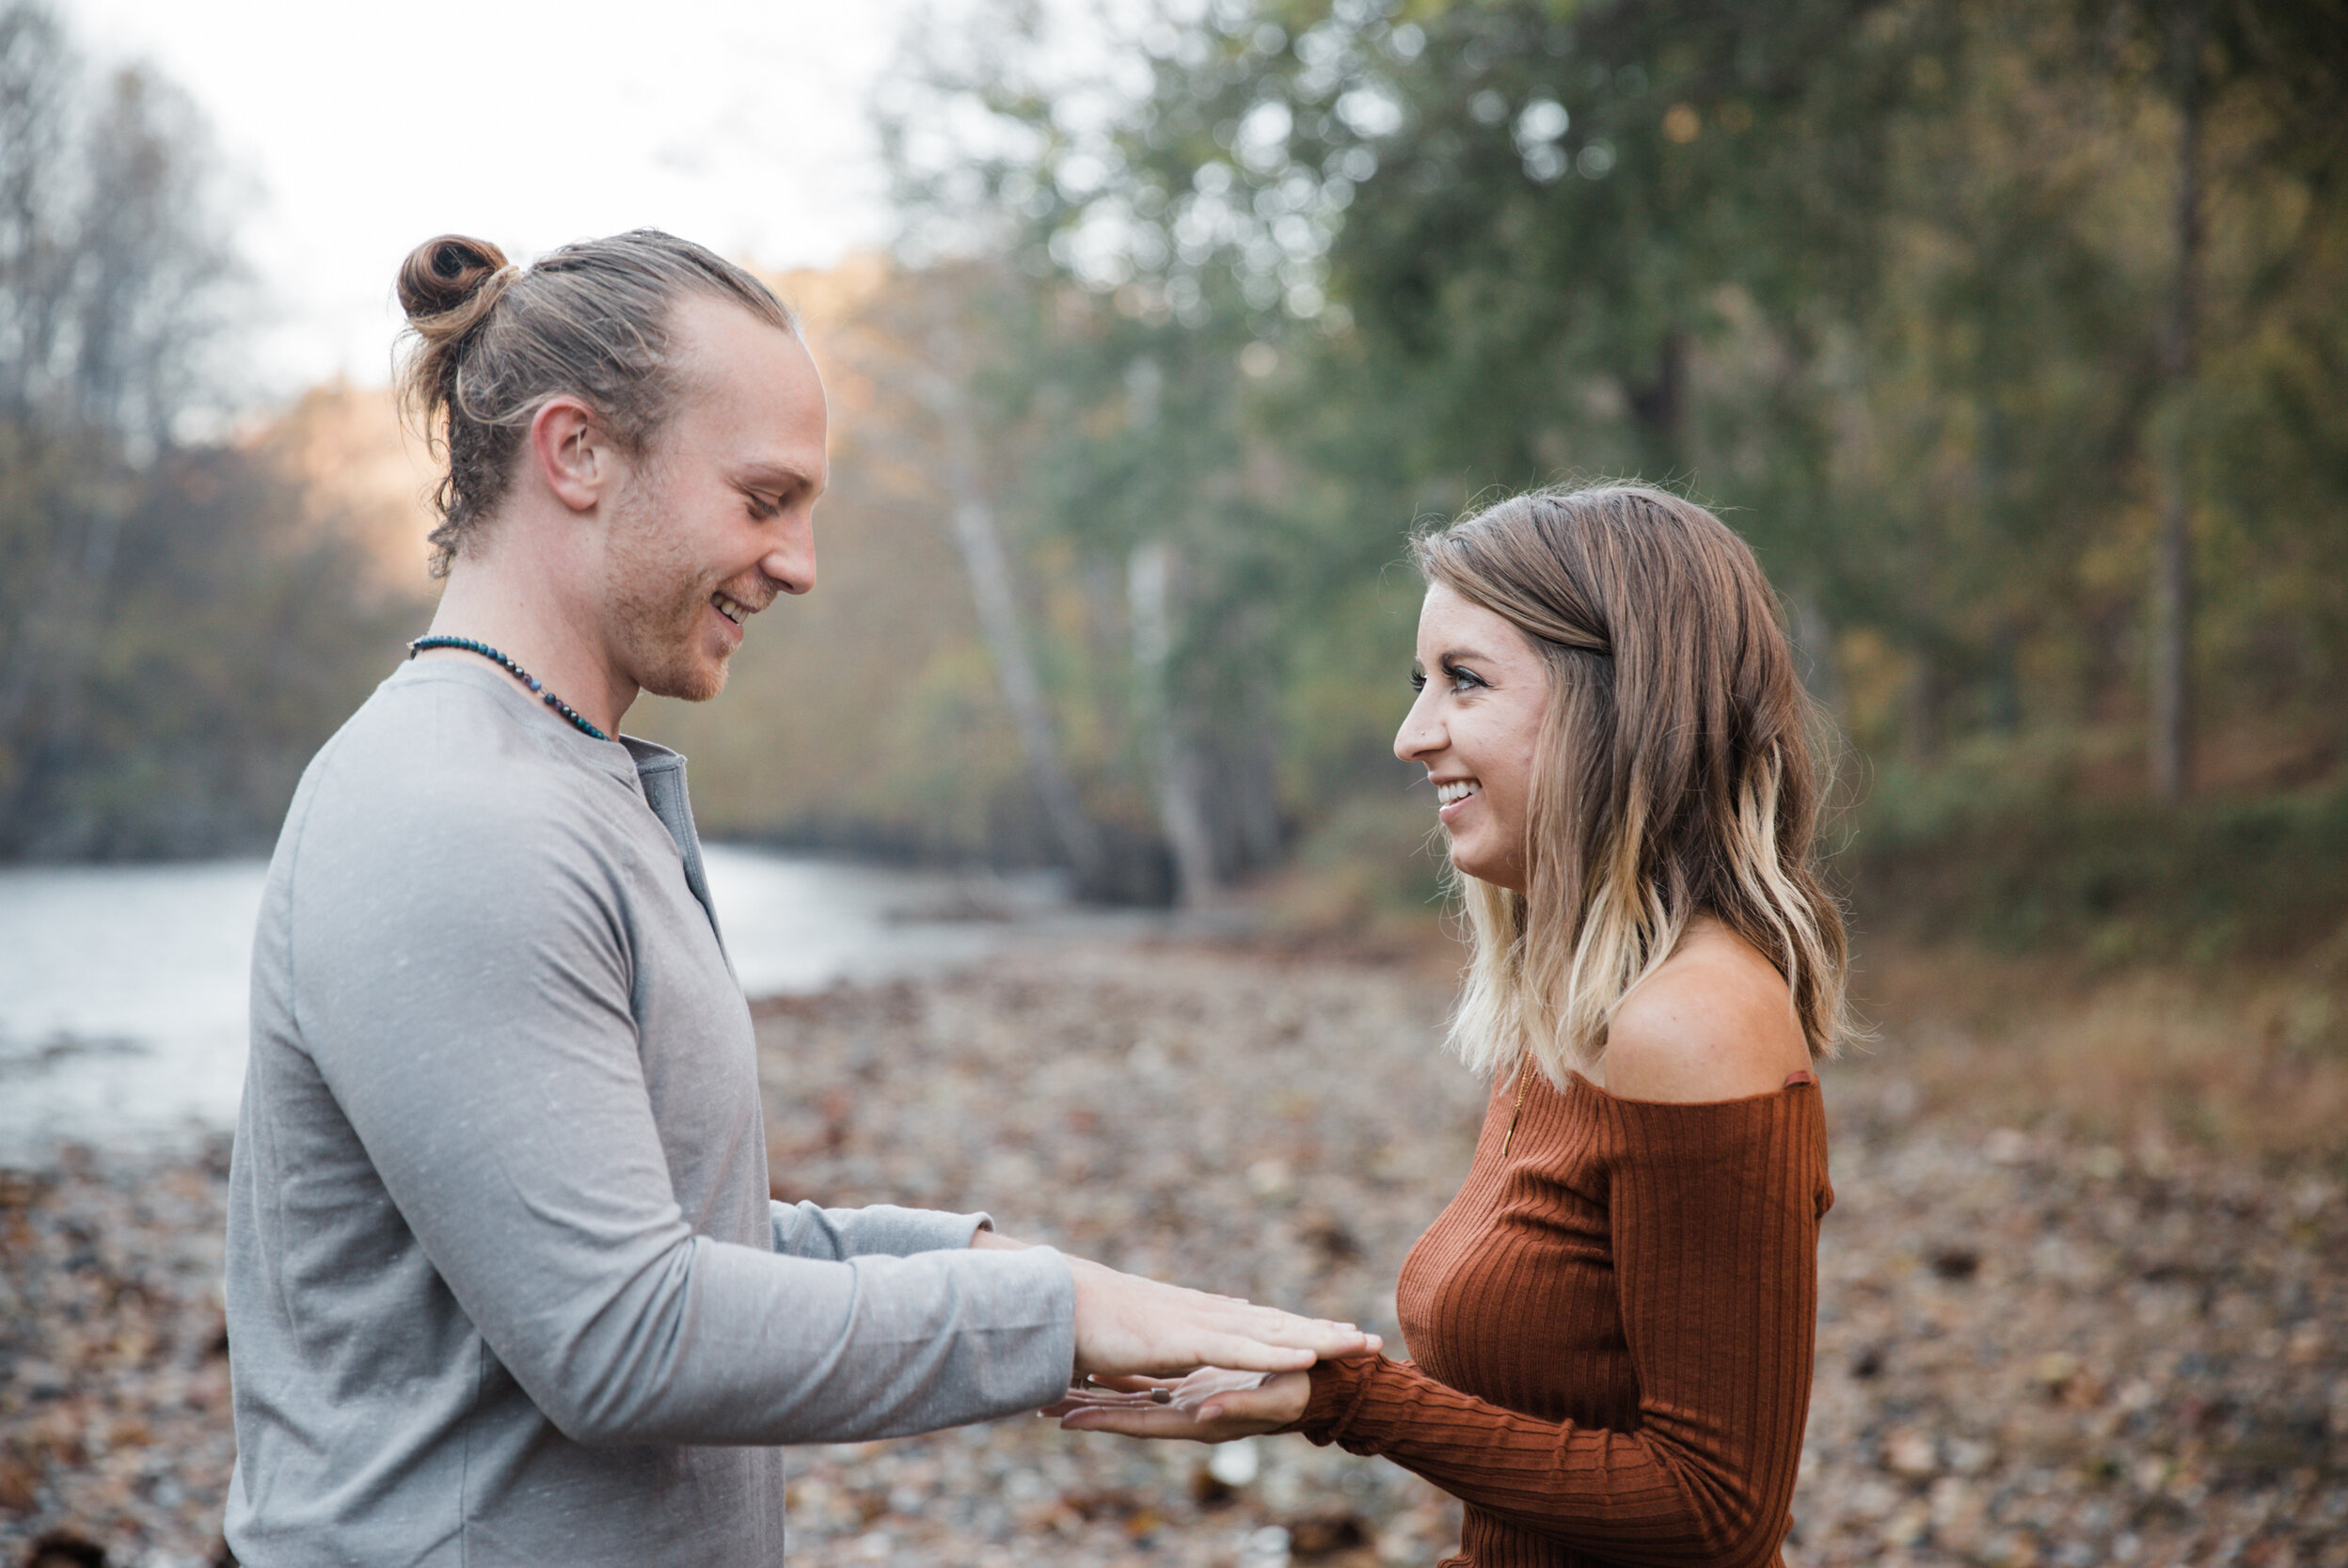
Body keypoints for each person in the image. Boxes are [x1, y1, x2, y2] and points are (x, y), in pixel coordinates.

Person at [221, 230, 1374, 1568]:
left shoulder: (556, 775)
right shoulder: (455, 813)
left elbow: (657, 1235)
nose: (802, 563)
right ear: (578, 452)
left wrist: (1003, 1267)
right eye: (765, 498)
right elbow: (622, 1335)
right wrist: (1046, 1315)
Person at [1055, 483, 1847, 1568]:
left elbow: (1715, 1509)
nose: (1409, 735)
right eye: (1418, 682)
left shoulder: (1693, 1020)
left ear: (1619, 704)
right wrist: (1295, 1369)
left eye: (1463, 681)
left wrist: (1353, 1401)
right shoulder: (1567, 1006)